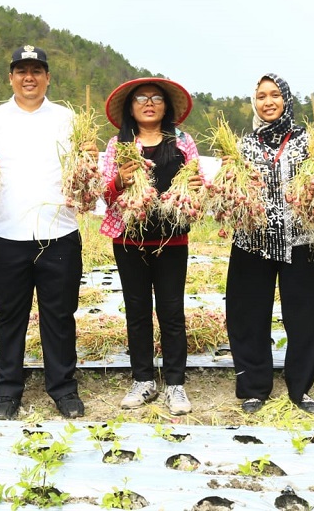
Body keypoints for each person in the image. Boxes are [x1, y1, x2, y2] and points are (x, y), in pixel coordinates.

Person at [0, 45, 87, 420]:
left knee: (60, 316)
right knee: (10, 317)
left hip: (59, 234)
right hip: (5, 234)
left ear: (47, 77)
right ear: (10, 77)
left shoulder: (69, 120)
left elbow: (84, 170)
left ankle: (63, 389)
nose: (29, 78)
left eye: (36, 71)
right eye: (22, 71)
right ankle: (8, 391)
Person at [225, 74, 314, 415]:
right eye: (261, 96)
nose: (268, 102)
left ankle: (301, 388)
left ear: (286, 99)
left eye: (274, 95)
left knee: (305, 315)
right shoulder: (243, 146)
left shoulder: (308, 142)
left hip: (301, 238)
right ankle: (254, 387)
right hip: (252, 239)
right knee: (248, 314)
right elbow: (231, 191)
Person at [99, 77, 200, 415]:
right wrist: (120, 180)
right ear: (131, 108)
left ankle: (175, 384)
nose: (149, 103)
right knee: (137, 310)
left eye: (156, 98)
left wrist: (195, 186)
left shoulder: (182, 142)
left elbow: (199, 185)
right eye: (141, 98)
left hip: (172, 239)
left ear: (166, 107)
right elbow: (105, 193)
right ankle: (143, 380)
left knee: (172, 311)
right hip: (129, 238)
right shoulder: (119, 145)